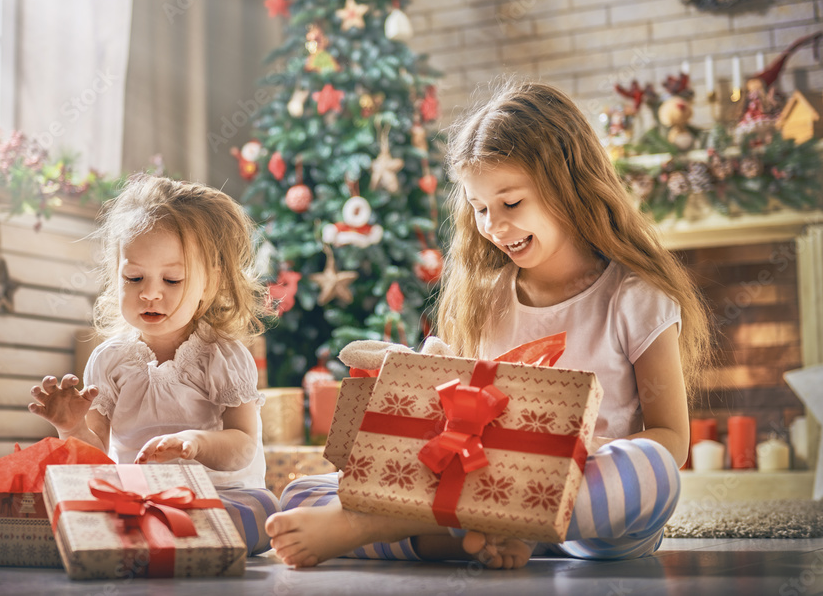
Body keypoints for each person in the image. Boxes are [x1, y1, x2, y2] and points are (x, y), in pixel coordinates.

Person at [266, 80, 711, 569]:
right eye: (479, 209)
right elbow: (454, 422)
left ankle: (373, 527)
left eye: (512, 204)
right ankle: (501, 532)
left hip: (586, 512)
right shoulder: (483, 298)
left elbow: (671, 436)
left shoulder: (634, 297)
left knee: (651, 473)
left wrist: (568, 461)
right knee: (302, 493)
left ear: (571, 186)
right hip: (483, 484)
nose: (495, 227)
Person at [29, 174, 279, 555]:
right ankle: (162, 537)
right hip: (140, 497)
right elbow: (96, 457)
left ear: (209, 286)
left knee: (264, 514)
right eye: (134, 277)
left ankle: (156, 539)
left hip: (219, 494)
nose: (149, 292)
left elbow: (243, 445)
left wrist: (195, 443)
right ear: (117, 277)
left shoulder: (222, 355)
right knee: (68, 508)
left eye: (173, 279)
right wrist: (72, 426)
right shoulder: (110, 360)